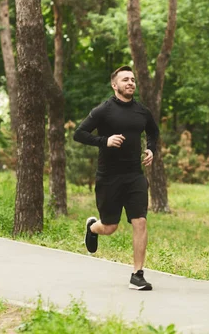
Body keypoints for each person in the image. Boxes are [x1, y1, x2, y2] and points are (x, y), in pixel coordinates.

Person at [73, 65, 159, 291]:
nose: (130, 83)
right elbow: (79, 133)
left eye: (132, 79)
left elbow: (153, 131)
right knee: (110, 227)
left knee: (140, 221)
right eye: (125, 80)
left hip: (135, 176)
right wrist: (105, 141)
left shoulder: (142, 111)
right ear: (115, 85)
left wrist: (151, 149)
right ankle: (93, 227)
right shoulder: (103, 110)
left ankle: (137, 275)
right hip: (109, 177)